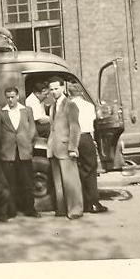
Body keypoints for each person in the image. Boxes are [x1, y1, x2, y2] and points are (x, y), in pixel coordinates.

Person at [0, 87, 39, 218]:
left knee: (27, 183)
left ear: (18, 97)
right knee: (10, 183)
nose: (10, 100)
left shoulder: (27, 110)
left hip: (24, 151)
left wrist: (26, 141)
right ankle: (11, 210)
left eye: (13, 97)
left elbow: (32, 128)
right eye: (8, 97)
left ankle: (30, 209)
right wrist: (7, 143)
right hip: (8, 153)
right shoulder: (1, 112)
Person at [68, 84, 108, 214]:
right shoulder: (89, 106)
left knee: (78, 171)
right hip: (85, 137)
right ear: (80, 93)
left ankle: (83, 203)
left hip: (72, 138)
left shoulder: (68, 105)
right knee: (90, 170)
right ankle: (93, 203)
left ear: (70, 93)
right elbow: (92, 124)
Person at [47, 76, 84, 219]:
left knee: (71, 182)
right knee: (58, 183)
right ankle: (62, 209)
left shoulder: (70, 105)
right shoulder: (51, 107)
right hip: (54, 149)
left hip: (66, 148)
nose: (54, 92)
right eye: (51, 89)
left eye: (56, 88)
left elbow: (75, 128)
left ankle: (75, 210)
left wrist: (73, 148)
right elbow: (53, 128)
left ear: (63, 88)